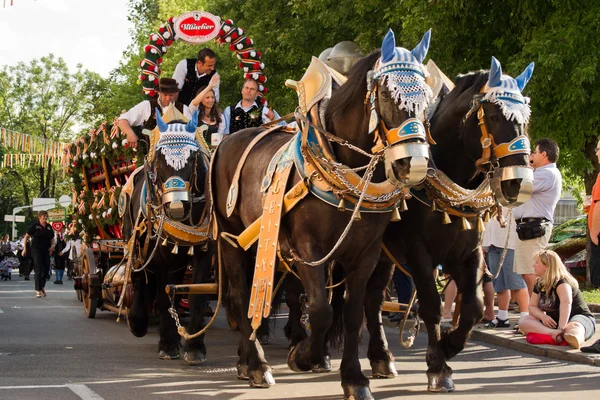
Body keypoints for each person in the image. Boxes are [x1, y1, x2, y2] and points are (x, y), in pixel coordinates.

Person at [513, 138, 562, 296]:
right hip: (529, 228)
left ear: (544, 154)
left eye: (534, 152)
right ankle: (534, 311)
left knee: (532, 273)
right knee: (527, 272)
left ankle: (538, 310)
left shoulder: (546, 173)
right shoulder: (541, 172)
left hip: (534, 228)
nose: (531, 155)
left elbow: (519, 187)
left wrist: (521, 166)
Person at [519, 250, 596, 348]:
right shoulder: (539, 283)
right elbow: (532, 307)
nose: (533, 265)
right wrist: (543, 317)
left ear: (546, 267)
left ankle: (573, 337)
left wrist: (562, 327)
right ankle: (555, 334)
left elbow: (566, 303)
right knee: (524, 321)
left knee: (574, 328)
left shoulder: (562, 282)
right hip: (554, 323)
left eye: (537, 262)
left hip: (577, 318)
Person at [483, 209, 530, 328]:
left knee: (516, 282)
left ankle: (525, 317)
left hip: (511, 243)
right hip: (493, 242)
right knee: (499, 282)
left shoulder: (512, 197)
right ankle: (502, 317)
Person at [118, 77, 193, 149]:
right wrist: (130, 133)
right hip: (153, 155)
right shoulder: (147, 105)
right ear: (158, 92)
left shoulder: (183, 109)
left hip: (179, 154)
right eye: (165, 95)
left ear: (175, 93)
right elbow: (123, 119)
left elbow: (192, 130)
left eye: (171, 95)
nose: (168, 98)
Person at [22, 211, 55, 298]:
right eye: (43, 216)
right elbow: (26, 237)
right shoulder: (35, 226)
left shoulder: (48, 227)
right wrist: (25, 248)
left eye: (46, 216)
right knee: (38, 268)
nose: (45, 218)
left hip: (46, 250)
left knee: (46, 269)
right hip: (36, 250)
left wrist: (53, 246)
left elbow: (52, 238)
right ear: (39, 217)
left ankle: (42, 287)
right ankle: (38, 290)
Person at [188, 75, 225, 148]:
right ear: (201, 99)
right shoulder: (195, 113)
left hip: (213, 151)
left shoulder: (219, 117)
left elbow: (220, 136)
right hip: (196, 151)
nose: (211, 100)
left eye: (212, 97)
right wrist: (210, 86)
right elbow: (194, 103)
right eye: (207, 97)